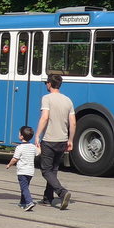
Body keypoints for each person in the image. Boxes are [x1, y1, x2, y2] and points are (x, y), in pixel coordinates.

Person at [35, 72, 76, 209]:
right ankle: (47, 198)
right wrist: (70, 140)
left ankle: (62, 192)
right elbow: (73, 123)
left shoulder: (47, 98)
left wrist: (37, 135)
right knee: (53, 170)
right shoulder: (68, 100)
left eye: (46, 82)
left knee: (46, 171)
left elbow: (45, 117)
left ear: (49, 84)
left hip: (50, 140)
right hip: (63, 140)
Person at [6, 125, 37, 211]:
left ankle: (29, 202)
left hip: (22, 171)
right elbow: (38, 152)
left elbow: (15, 159)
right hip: (30, 172)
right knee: (25, 187)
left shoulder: (19, 147)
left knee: (24, 188)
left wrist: (9, 165)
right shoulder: (33, 147)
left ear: (21, 136)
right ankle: (23, 202)